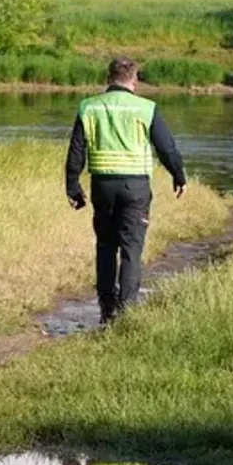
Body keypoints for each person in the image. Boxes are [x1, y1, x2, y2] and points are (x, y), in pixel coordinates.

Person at [65, 57, 186, 323]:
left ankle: (107, 310)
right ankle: (127, 312)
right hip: (135, 187)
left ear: (108, 78)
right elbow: (166, 148)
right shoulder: (146, 108)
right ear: (135, 80)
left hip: (102, 186)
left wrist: (72, 186)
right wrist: (178, 175)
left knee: (106, 246)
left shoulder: (89, 107)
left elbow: (76, 150)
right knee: (131, 249)